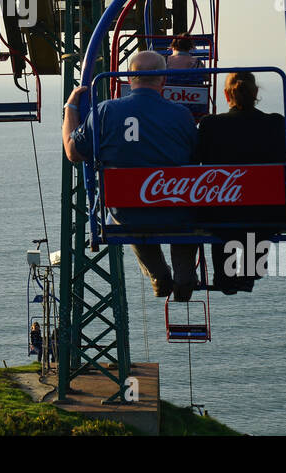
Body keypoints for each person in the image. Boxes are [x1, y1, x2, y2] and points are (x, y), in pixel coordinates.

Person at [62, 51, 200, 301]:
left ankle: (159, 275)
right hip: (175, 210)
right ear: (163, 80)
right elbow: (194, 158)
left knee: (130, 212)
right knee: (184, 210)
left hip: (127, 210)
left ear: (128, 79)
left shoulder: (105, 111)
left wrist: (71, 107)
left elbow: (73, 152)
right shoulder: (181, 115)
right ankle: (184, 275)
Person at [195, 71, 286, 294]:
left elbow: (196, 156)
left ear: (227, 95)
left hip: (221, 211)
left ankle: (225, 276)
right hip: (267, 212)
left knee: (221, 214)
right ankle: (251, 270)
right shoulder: (276, 123)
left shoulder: (210, 125)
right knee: (262, 209)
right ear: (256, 93)